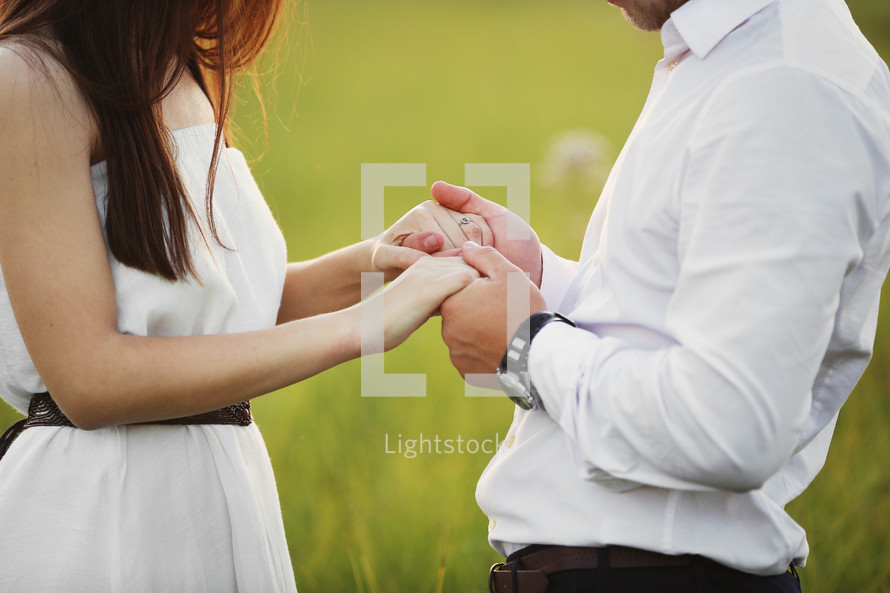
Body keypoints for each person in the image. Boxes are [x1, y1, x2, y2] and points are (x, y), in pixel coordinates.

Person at [0, 1, 486, 591]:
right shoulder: (25, 76)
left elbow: (211, 312)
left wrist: (377, 261)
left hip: (221, 491)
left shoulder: (176, 65)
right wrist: (362, 326)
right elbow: (89, 380)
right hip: (107, 512)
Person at [435, 0, 890, 591]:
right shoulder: (728, 61)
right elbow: (662, 323)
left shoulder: (784, 88)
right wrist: (542, 279)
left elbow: (729, 424)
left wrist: (524, 344)